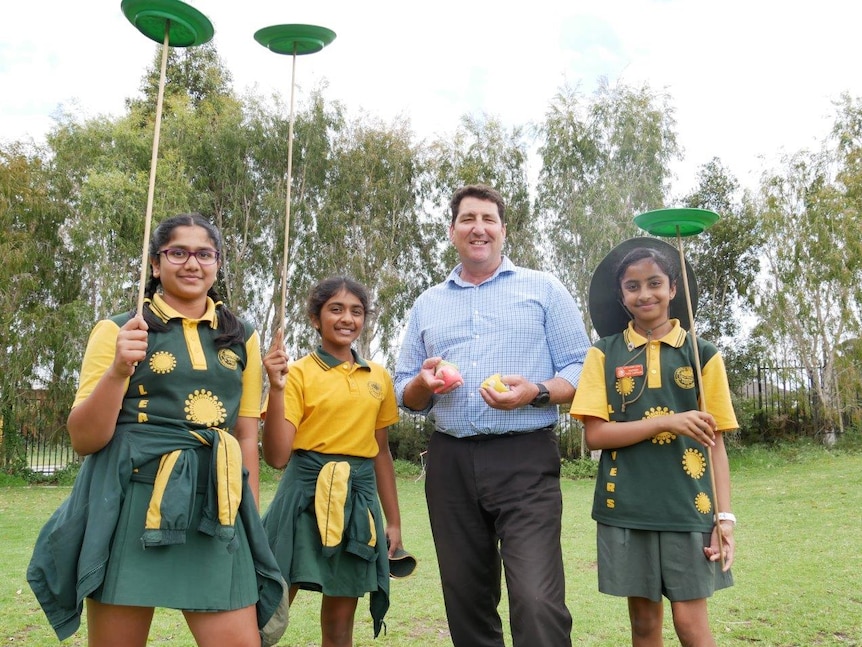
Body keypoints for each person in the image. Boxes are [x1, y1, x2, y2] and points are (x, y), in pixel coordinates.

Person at [27, 213, 287, 647]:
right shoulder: (118, 329)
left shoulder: (243, 337)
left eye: (204, 254)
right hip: (130, 498)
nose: (192, 264)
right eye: (177, 252)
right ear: (154, 264)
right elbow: (83, 439)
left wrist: (244, 514)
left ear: (218, 263)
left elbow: (245, 435)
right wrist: (117, 371)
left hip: (214, 505)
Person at [394, 184, 591, 647]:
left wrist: (536, 392)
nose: (478, 228)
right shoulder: (428, 302)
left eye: (488, 219)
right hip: (449, 462)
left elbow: (581, 369)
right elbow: (405, 388)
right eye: (467, 219)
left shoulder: (542, 288)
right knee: (466, 598)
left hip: (525, 459)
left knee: (536, 598)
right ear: (452, 231)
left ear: (504, 231)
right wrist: (424, 383)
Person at [569, 238, 737, 647]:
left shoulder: (703, 354)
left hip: (690, 508)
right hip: (626, 507)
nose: (645, 294)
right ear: (622, 295)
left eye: (655, 282)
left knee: (691, 625)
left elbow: (715, 445)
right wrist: (670, 421)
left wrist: (725, 520)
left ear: (673, 289)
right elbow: (596, 434)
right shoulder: (603, 354)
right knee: (644, 625)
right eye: (633, 286)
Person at [261, 276, 403, 646]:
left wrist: (395, 522)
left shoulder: (379, 377)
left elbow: (381, 453)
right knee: (266, 607)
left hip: (357, 502)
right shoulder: (296, 374)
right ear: (315, 317)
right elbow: (276, 457)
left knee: (340, 624)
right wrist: (275, 388)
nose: (346, 319)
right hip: (302, 496)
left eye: (356, 311)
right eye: (335, 309)